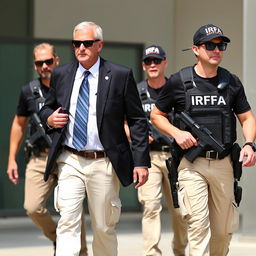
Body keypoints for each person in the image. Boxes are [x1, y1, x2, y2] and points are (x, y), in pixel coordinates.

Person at [39, 21, 150, 256]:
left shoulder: (120, 75)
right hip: (70, 160)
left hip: (104, 162)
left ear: (99, 45)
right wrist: (49, 119)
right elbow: (46, 108)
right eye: (76, 43)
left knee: (103, 227)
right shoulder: (62, 74)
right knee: (68, 221)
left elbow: (138, 119)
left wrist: (140, 161)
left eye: (87, 43)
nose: (81, 48)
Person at [150, 24, 256, 255]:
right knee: (198, 228)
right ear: (196, 49)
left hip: (224, 164)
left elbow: (247, 117)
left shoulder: (232, 81)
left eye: (221, 45)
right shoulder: (179, 81)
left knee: (222, 232)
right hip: (192, 164)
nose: (216, 50)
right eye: (210, 45)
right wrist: (176, 133)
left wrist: (249, 144)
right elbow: (156, 115)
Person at [6, 43, 87, 256]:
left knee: (72, 209)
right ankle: (58, 238)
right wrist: (11, 158)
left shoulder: (71, 85)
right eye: (39, 63)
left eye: (48, 61)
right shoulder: (29, 91)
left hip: (67, 155)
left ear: (56, 61)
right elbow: (18, 123)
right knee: (32, 207)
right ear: (35, 65)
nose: (44, 66)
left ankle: (81, 252)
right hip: (40, 157)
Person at [136, 45, 188, 256]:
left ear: (165, 63)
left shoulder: (176, 88)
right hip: (150, 157)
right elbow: (123, 122)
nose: (153, 65)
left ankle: (180, 251)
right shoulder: (137, 91)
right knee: (150, 206)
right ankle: (152, 253)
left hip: (175, 156)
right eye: (148, 61)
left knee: (179, 210)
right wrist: (136, 136)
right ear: (143, 65)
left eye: (157, 61)